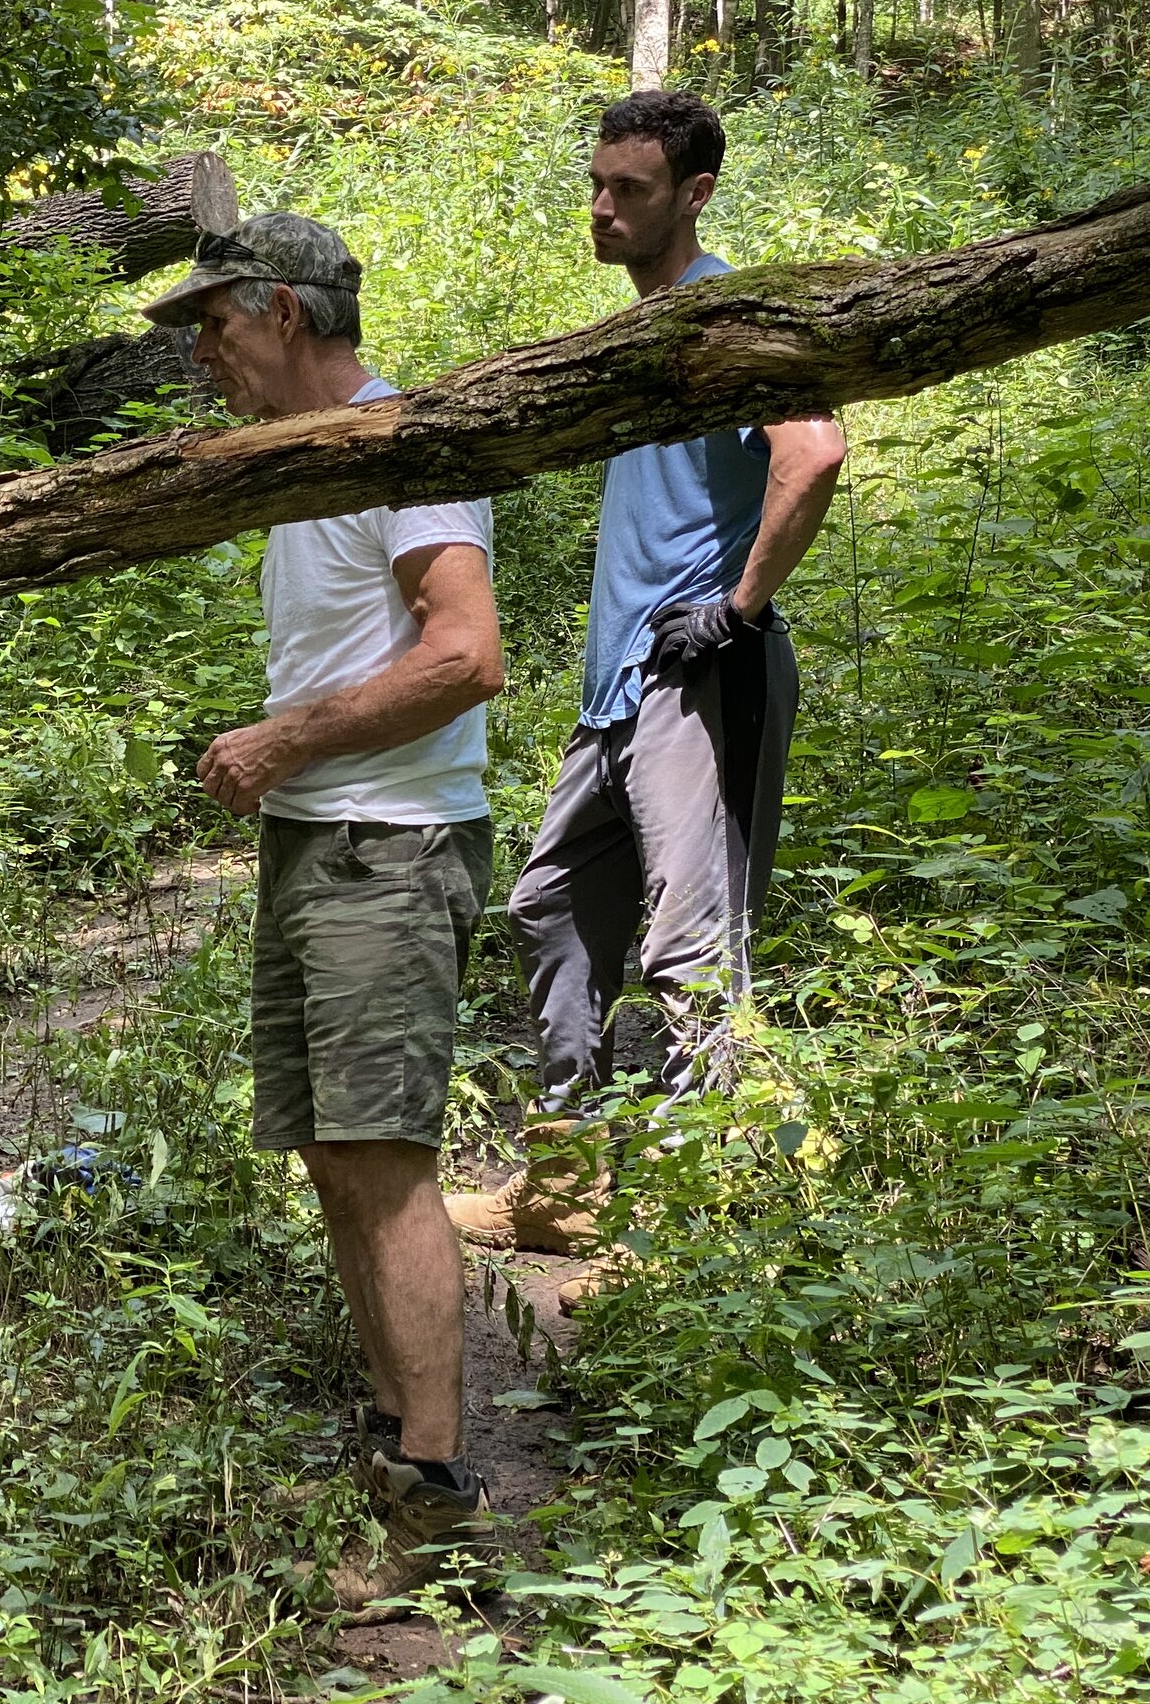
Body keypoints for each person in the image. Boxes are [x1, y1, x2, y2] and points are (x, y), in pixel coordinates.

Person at [143, 213, 505, 1611]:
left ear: (284, 311)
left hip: (388, 846)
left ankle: (436, 1496)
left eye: (216, 327)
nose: (204, 356)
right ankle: (393, 1449)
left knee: (384, 1152)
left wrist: (286, 739)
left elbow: (466, 654)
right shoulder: (305, 459)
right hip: (323, 842)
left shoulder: (404, 446)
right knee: (336, 1156)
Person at [447, 92, 847, 1276]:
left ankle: (682, 1224)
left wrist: (737, 609)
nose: (603, 207)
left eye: (630, 189)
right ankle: (565, 1185)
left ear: (695, 195)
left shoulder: (730, 319)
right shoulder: (641, 334)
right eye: (597, 184)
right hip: (620, 684)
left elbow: (813, 451)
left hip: (700, 678)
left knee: (688, 947)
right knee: (550, 907)